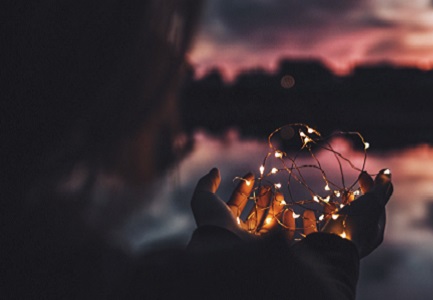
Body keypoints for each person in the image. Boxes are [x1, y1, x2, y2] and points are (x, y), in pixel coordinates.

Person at [4, 0, 393, 299]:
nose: (179, 66)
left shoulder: (33, 259)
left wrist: (218, 240)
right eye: (157, 35)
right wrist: (337, 255)